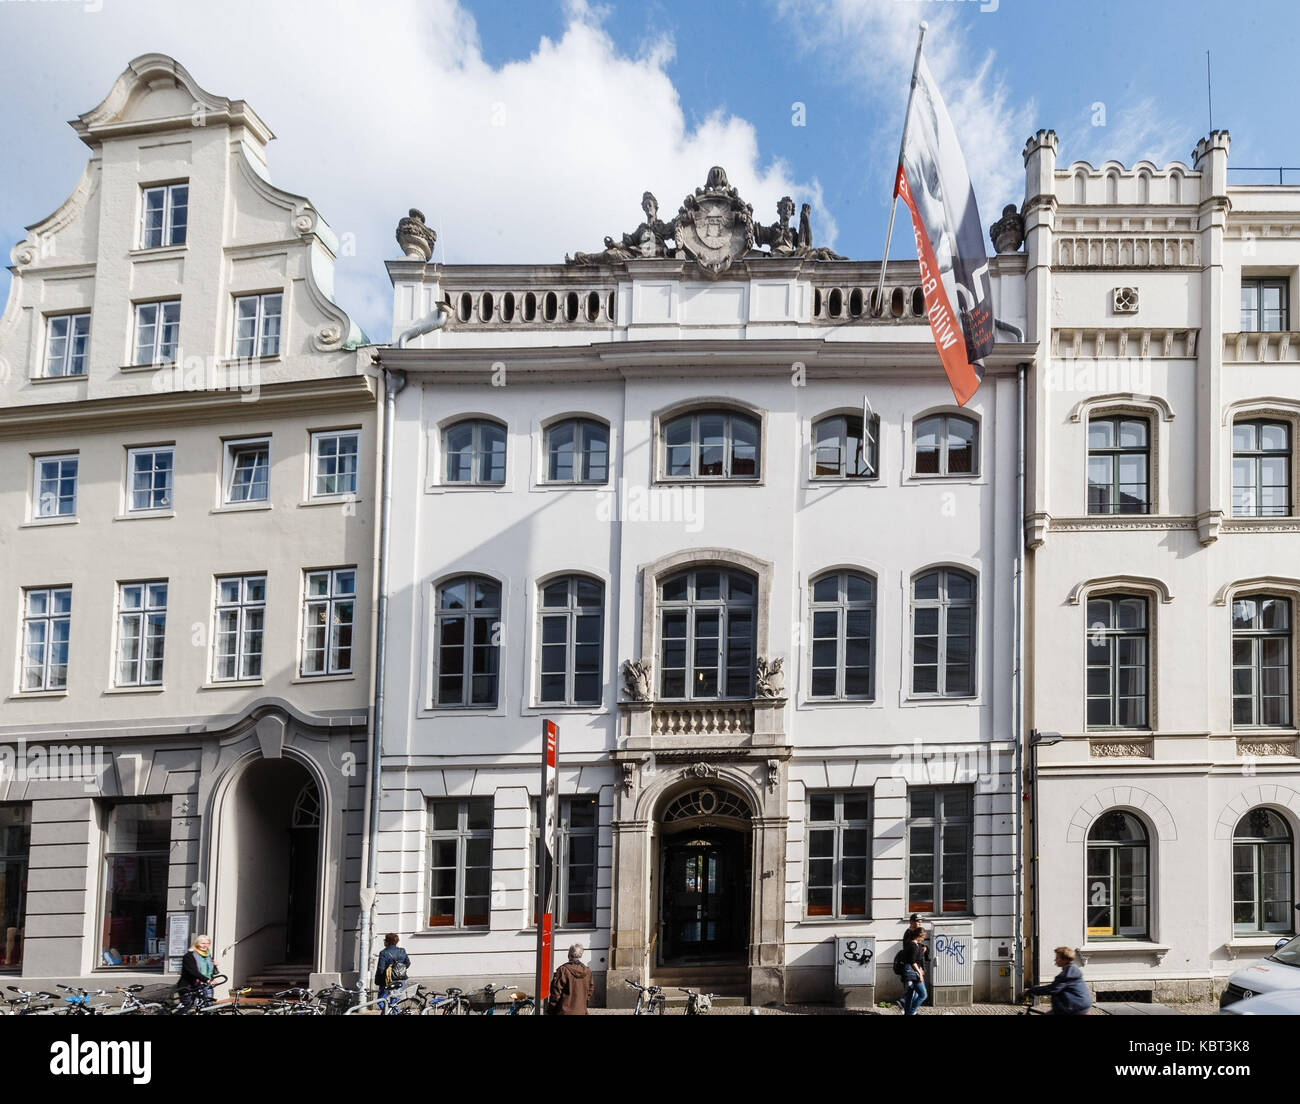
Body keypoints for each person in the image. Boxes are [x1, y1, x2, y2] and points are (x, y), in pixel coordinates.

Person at [1023, 946, 1093, 1015]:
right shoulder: (1071, 970)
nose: (1055, 960)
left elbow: (1052, 989)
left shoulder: (1067, 975)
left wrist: (1030, 990)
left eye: (1057, 958)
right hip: (1076, 1006)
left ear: (1064, 960)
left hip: (1074, 1008)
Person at [548, 943, 593, 1016]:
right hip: (581, 1010)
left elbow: (556, 992)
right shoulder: (587, 971)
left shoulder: (563, 970)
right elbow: (590, 990)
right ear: (580, 955)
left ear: (569, 954)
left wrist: (551, 1009)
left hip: (564, 1010)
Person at [177, 934, 218, 1012]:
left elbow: (209, 971)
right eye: (202, 943)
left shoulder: (208, 955)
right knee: (187, 1006)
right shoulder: (189, 955)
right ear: (197, 943)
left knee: (207, 1006)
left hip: (204, 985)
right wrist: (207, 980)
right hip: (189, 986)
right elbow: (193, 971)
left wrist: (214, 965)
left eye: (207, 943)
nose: (205, 945)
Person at [375, 932, 410, 1013]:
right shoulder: (402, 951)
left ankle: (388, 1012)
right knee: (395, 1000)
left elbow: (381, 969)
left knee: (381, 999)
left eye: (385, 940)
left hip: (387, 980)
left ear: (387, 942)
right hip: (400, 979)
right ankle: (394, 1012)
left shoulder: (383, 953)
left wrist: (382, 979)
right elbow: (407, 963)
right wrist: (398, 972)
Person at [900, 928, 928, 1016]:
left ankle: (908, 1013)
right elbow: (913, 962)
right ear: (919, 936)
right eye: (923, 937)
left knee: (910, 996)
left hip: (910, 973)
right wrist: (919, 973)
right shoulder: (912, 945)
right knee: (923, 995)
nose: (923, 939)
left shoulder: (914, 944)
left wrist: (922, 950)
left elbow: (916, 958)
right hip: (913, 973)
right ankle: (911, 1012)